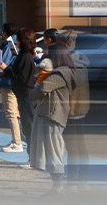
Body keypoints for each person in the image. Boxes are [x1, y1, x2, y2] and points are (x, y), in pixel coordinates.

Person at [31, 46, 76, 191]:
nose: (46, 57)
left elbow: (41, 90)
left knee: (53, 152)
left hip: (52, 114)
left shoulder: (59, 74)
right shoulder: (67, 72)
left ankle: (58, 188)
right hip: (56, 114)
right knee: (54, 150)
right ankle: (57, 187)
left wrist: (40, 78)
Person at [57, 30, 91, 189]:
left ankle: (71, 180)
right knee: (81, 145)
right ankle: (83, 178)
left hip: (69, 108)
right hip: (82, 107)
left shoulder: (66, 63)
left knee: (71, 147)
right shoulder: (82, 61)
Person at [0, 23, 26, 154]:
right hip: (11, 82)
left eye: (2, 32)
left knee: (11, 112)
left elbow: (3, 63)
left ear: (6, 32)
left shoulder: (10, 44)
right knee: (14, 112)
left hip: (8, 82)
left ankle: (17, 142)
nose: (1, 34)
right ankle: (17, 139)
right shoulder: (13, 43)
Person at [11, 28, 40, 168]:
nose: (16, 41)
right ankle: (33, 157)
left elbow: (23, 78)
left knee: (29, 125)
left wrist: (6, 70)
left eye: (18, 38)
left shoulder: (25, 57)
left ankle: (34, 158)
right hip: (25, 94)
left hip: (27, 94)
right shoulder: (25, 55)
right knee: (28, 125)